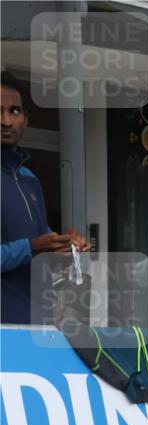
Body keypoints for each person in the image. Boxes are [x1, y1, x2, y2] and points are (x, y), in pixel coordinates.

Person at [1, 71, 91, 324]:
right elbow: (34, 244)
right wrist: (33, 246)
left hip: (36, 326)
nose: (6, 121)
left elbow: (42, 242)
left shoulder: (30, 179)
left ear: (25, 119)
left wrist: (66, 244)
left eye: (14, 111)